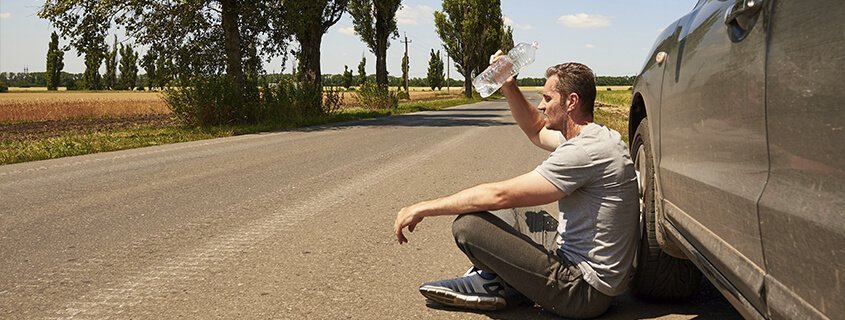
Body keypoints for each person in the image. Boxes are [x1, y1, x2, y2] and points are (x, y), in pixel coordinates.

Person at [393, 57, 639, 319]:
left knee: (469, 226)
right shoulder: (596, 137)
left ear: (571, 102)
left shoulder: (585, 152)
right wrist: (507, 83)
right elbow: (535, 129)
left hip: (582, 291)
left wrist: (422, 207)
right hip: (590, 275)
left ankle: (496, 282)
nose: (541, 105)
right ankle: (498, 278)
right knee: (513, 214)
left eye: (547, 98)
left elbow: (499, 195)